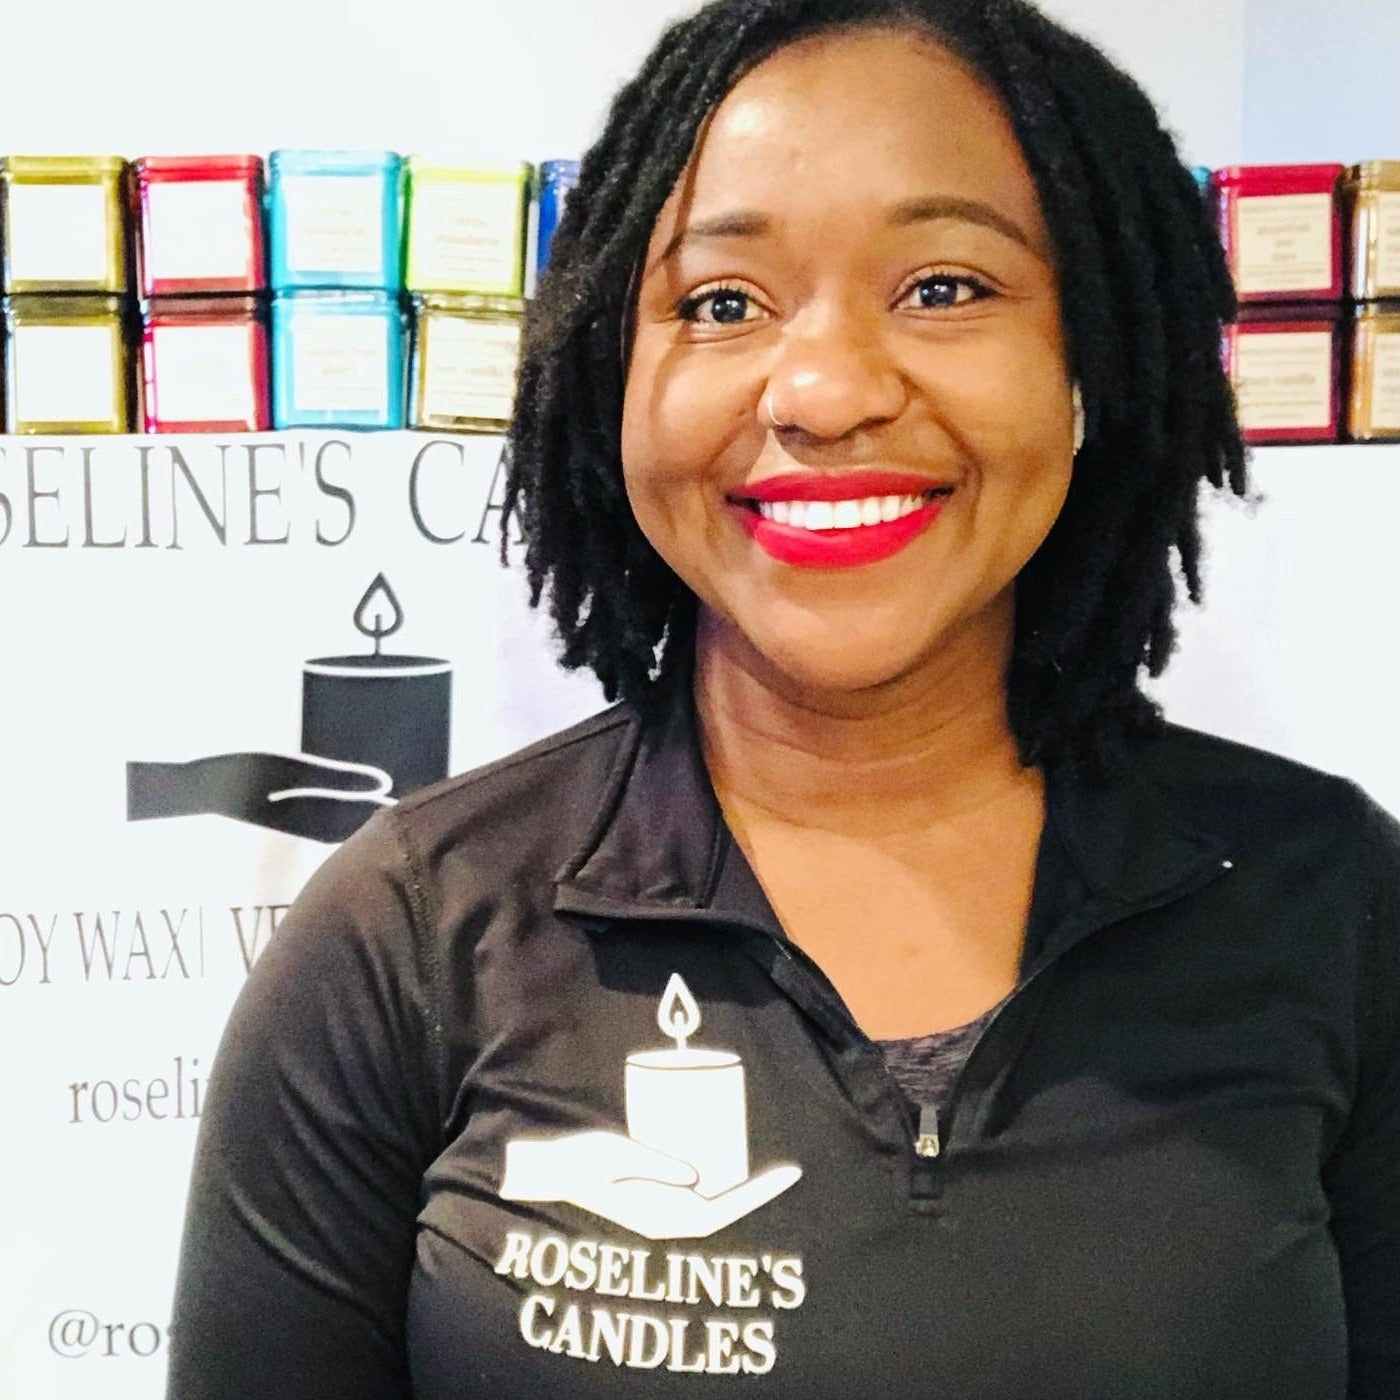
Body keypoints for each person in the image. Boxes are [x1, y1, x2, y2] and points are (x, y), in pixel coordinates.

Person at [166, 0, 1400, 1396]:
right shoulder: (408, 933)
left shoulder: (1332, 902)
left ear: (1090, 361)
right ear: (609, 376)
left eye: (945, 287)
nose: (821, 391)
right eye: (721, 303)